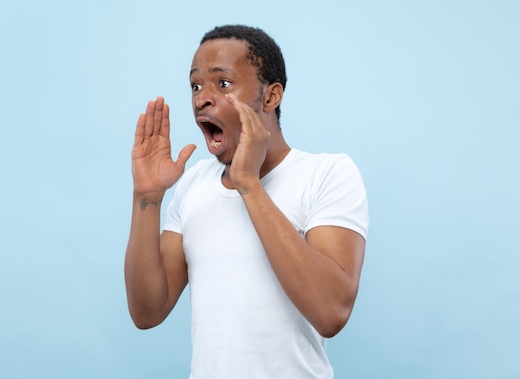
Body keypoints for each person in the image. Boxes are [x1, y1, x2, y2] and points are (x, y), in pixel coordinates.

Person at [125, 25, 368, 378]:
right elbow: (147, 312)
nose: (201, 99)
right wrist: (146, 199)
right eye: (195, 85)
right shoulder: (194, 183)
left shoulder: (327, 173)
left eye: (222, 83)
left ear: (270, 97)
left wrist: (249, 184)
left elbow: (331, 312)